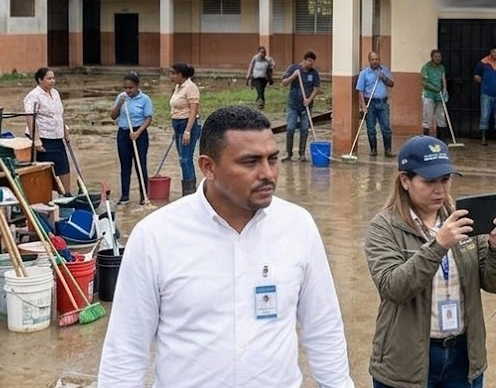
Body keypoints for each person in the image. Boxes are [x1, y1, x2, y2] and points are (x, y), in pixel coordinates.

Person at [97, 106, 354, 388]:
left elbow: (323, 326)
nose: (267, 173)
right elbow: (125, 350)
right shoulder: (155, 237)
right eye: (250, 162)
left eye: (272, 159)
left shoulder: (297, 226)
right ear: (208, 167)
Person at [364, 136, 496, 388]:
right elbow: (393, 288)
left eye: (445, 179)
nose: (440, 189)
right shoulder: (384, 227)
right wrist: (438, 245)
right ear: (405, 180)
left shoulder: (463, 221)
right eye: (429, 181)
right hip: (406, 359)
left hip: (462, 358)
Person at [24, 67, 71, 193]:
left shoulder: (55, 93)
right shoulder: (33, 96)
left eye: (53, 78)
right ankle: (46, 194)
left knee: (63, 166)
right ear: (40, 80)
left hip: (57, 136)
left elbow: (59, 114)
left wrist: (65, 130)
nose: (52, 81)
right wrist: (36, 139)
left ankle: (67, 194)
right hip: (43, 138)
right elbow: (30, 117)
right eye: (49, 78)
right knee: (46, 169)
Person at [110, 72, 154, 205]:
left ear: (137, 86)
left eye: (131, 88)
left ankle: (144, 196)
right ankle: (125, 196)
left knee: (140, 165)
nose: (128, 90)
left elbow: (148, 118)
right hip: (123, 133)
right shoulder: (121, 97)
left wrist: (138, 132)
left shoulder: (145, 99)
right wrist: (119, 104)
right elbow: (113, 116)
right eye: (126, 88)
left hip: (139, 134)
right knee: (125, 165)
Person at [169, 62, 201, 196]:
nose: (170, 76)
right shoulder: (178, 87)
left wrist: (187, 131)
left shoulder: (191, 88)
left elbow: (193, 111)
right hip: (177, 124)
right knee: (182, 159)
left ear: (180, 74)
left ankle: (190, 192)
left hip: (187, 124)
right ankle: (187, 191)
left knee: (186, 159)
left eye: (172, 73)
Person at [282, 51, 321, 162]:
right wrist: (293, 76)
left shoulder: (314, 73)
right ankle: (289, 154)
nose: (310, 64)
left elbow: (316, 88)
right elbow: (284, 83)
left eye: (312, 62)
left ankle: (302, 154)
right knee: (290, 128)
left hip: (306, 106)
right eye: (309, 61)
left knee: (304, 129)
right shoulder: (294, 68)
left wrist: (309, 99)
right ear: (304, 60)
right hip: (293, 105)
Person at [356, 51, 395, 157]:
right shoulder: (364, 73)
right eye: (373, 59)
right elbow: (360, 91)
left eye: (377, 59)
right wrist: (363, 105)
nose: (375, 61)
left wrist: (383, 77)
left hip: (383, 103)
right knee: (371, 129)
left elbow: (391, 84)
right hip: (370, 103)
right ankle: (373, 150)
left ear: (379, 59)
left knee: (386, 128)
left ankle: (388, 150)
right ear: (369, 61)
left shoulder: (384, 70)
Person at [473, 47, 496, 146]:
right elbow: (476, 75)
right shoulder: (483, 62)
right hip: (486, 93)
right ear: (490, 53)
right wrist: (484, 82)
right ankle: (483, 137)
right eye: (494, 52)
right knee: (485, 116)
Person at [420, 49, 449, 140]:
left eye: (439, 56)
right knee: (427, 118)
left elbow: (443, 79)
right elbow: (424, 82)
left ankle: (441, 140)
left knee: (441, 118)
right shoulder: (426, 67)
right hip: (429, 95)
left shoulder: (441, 67)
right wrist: (435, 89)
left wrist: (444, 90)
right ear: (432, 57)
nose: (438, 58)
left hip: (439, 96)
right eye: (436, 56)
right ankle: (426, 140)